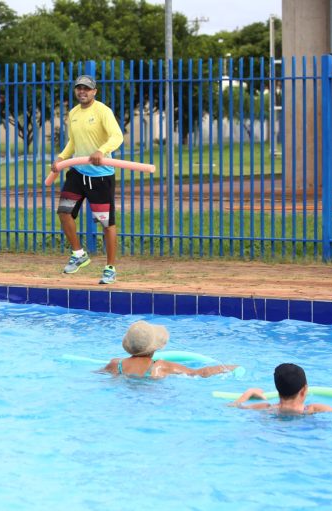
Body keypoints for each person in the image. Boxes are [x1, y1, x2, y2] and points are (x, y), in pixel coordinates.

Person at [50, 74, 124, 284]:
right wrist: (62, 157)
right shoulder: (73, 113)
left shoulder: (103, 111)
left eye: (87, 88)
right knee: (64, 212)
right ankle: (79, 254)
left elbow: (117, 136)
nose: (82, 92)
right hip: (77, 173)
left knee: (106, 223)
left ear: (94, 91)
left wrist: (101, 151)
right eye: (79, 88)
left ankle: (110, 268)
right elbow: (73, 142)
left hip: (100, 176)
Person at [103, 320, 238, 379]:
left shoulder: (116, 364)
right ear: (154, 348)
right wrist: (230, 367)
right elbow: (198, 373)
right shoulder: (161, 366)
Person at [231, 363, 332, 414]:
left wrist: (248, 392)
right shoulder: (314, 409)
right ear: (304, 390)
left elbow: (234, 406)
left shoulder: (265, 407)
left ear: (278, 390)